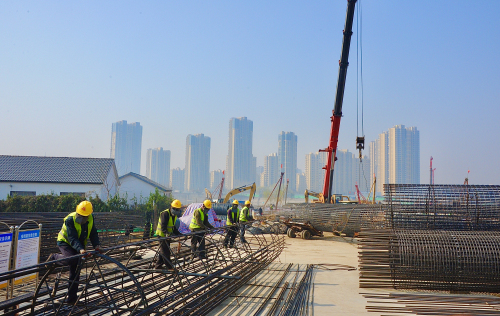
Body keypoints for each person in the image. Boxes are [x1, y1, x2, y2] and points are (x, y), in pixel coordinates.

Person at [49, 201, 102, 305]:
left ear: (88, 216)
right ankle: (54, 258)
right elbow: (72, 238)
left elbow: (93, 233)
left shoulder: (91, 218)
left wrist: (97, 245)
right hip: (65, 242)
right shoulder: (70, 219)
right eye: (79, 215)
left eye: (82, 216)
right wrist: (81, 249)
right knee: (71, 259)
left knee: (76, 269)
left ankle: (72, 299)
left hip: (78, 244)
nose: (80, 217)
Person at [155, 199, 182, 270]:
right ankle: (170, 267)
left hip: (167, 236)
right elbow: (163, 226)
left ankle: (158, 266)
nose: (175, 211)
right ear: (171, 207)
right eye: (174, 209)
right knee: (166, 252)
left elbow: (173, 227)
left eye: (177, 209)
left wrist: (178, 233)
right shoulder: (165, 214)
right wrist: (166, 234)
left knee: (163, 251)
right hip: (162, 235)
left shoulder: (174, 215)